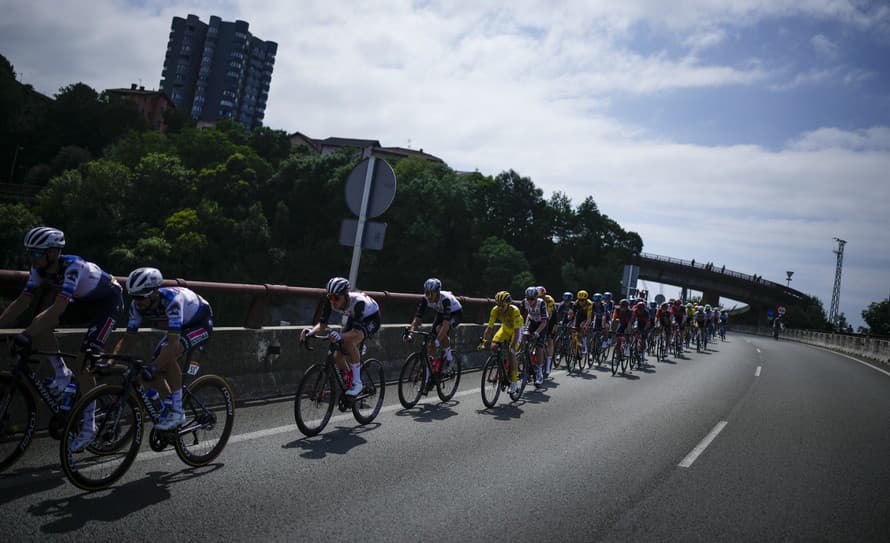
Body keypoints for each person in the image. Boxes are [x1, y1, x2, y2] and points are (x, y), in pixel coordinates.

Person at [0, 227, 123, 452]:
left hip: (108, 303)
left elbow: (58, 308)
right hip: (85, 303)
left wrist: (25, 335)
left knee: (84, 363)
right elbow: (22, 302)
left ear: (54, 252)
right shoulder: (40, 268)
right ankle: (61, 374)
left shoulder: (73, 266)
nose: (33, 259)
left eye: (37, 254)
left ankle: (89, 427)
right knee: (40, 325)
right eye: (30, 253)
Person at [112, 267, 214, 433]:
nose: (137, 301)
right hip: (179, 326)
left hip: (199, 323)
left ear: (154, 292)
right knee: (156, 366)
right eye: (133, 296)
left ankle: (178, 411)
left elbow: (173, 346)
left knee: (164, 361)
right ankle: (169, 405)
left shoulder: (172, 301)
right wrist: (111, 361)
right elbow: (127, 339)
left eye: (141, 296)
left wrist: (152, 368)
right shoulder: (136, 306)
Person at [301, 277, 381, 396]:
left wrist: (340, 335)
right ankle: (350, 379)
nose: (333, 301)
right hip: (353, 316)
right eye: (330, 297)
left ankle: (358, 383)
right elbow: (322, 324)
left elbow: (356, 332)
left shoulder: (358, 302)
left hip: (371, 318)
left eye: (336, 298)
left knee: (349, 341)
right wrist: (311, 332)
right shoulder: (331, 300)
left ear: (346, 296)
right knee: (337, 355)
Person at [407, 278, 462, 374]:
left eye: (432, 293)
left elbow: (445, 326)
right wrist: (411, 334)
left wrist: (437, 342)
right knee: (431, 341)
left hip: (455, 313)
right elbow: (417, 319)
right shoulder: (425, 298)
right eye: (427, 293)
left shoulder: (445, 300)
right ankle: (432, 369)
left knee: (439, 329)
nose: (429, 296)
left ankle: (449, 357)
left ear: (438, 292)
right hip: (441, 313)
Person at [479, 291, 524, 394]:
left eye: (502, 305)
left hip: (516, 330)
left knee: (512, 352)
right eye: (498, 305)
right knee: (494, 346)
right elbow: (489, 329)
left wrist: (513, 345)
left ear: (508, 304)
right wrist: (483, 343)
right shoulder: (495, 310)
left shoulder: (514, 311)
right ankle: (502, 365)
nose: (500, 307)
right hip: (505, 328)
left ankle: (514, 382)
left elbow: (517, 332)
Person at [521, 286, 549, 387]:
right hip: (532, 321)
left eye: (532, 299)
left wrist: (537, 332)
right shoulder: (524, 302)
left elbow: (544, 321)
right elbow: (520, 317)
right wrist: (523, 330)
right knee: (524, 338)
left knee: (538, 347)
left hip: (542, 324)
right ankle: (526, 364)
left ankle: (539, 372)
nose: (529, 301)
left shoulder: (541, 303)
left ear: (536, 298)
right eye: (528, 298)